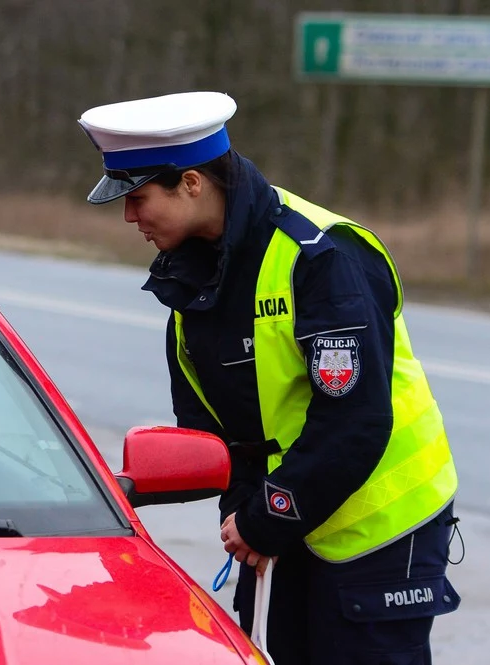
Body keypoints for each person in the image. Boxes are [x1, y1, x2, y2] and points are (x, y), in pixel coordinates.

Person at [77, 91, 462, 664]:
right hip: (283, 530)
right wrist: (241, 510)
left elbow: (354, 419)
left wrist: (264, 517)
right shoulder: (190, 276)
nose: (130, 216)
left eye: (138, 198)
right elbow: (210, 432)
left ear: (192, 183)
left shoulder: (321, 257)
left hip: (378, 530)